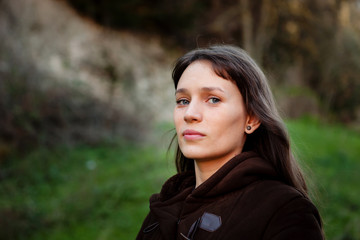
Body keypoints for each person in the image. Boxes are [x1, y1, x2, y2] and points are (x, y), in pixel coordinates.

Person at [136, 45, 324, 240]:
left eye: (213, 99)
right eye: (183, 100)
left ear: (251, 119)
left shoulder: (284, 211)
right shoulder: (163, 207)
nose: (190, 114)